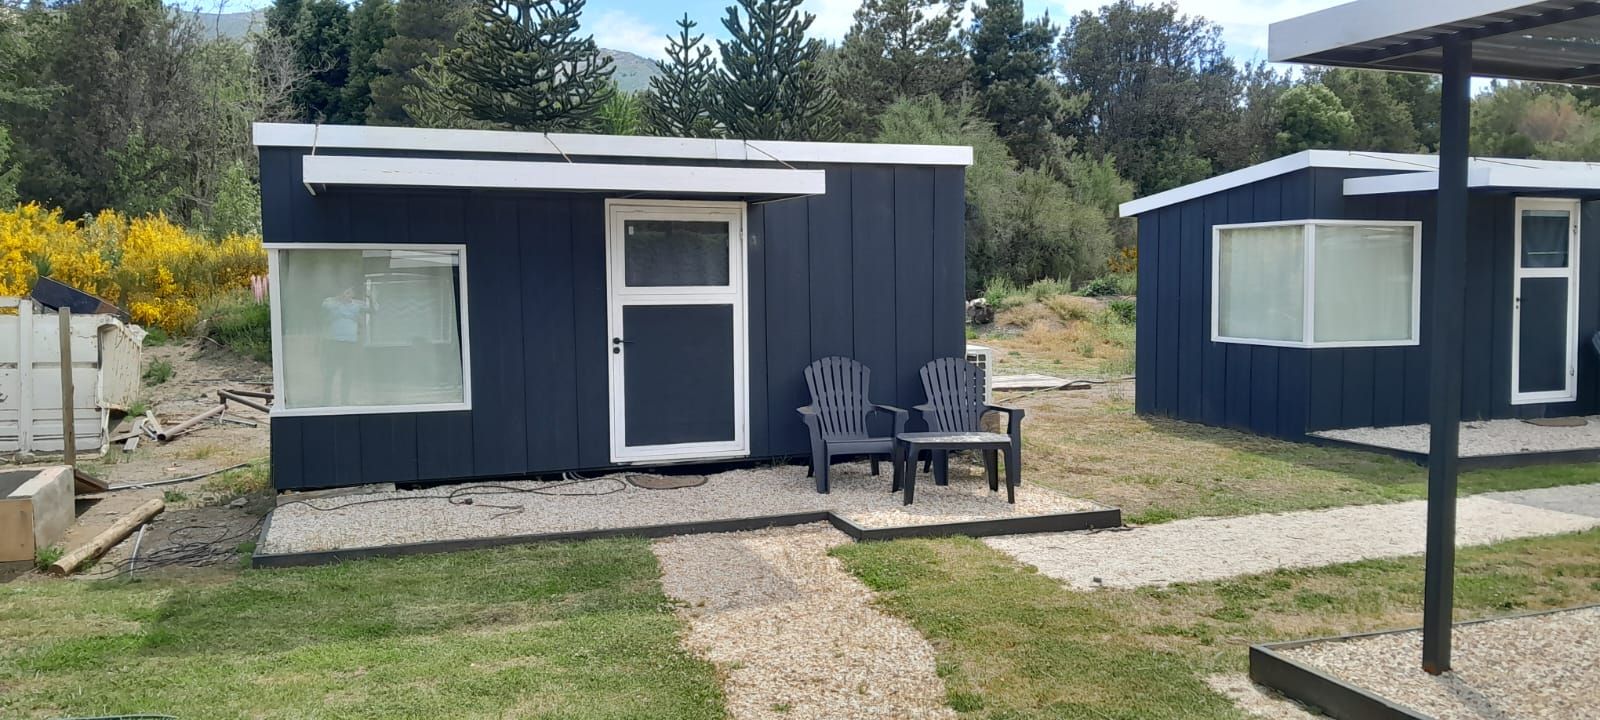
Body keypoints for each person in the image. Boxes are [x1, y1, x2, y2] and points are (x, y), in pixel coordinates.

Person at [321, 287, 370, 404]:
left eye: (349, 292)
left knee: (348, 373)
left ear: (353, 294)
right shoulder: (331, 301)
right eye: (344, 292)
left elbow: (373, 310)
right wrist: (339, 301)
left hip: (350, 343)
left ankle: (345, 401)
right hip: (334, 342)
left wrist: (372, 298)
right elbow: (325, 306)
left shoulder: (356, 304)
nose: (346, 295)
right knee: (330, 372)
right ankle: (326, 401)